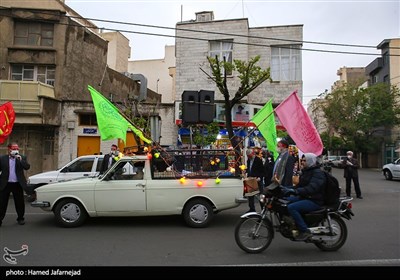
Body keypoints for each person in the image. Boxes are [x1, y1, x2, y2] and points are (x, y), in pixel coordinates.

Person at [284, 153, 326, 240]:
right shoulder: (306, 171)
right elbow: (299, 186)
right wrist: (285, 189)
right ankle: (293, 224)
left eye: (304, 160)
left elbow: (311, 188)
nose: (302, 162)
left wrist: (296, 191)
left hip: (314, 200)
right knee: (285, 201)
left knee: (292, 207)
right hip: (306, 197)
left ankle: (304, 231)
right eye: (302, 160)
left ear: (310, 161)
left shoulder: (317, 173)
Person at [0, 143, 31, 226]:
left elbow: (27, 167)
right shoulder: (2, 158)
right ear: (9, 150)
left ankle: (20, 218)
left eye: (16, 149)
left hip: (17, 184)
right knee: (2, 203)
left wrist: (21, 160)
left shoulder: (22, 157)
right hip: (5, 184)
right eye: (13, 149)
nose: (15, 151)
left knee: (19, 202)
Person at [245, 148, 265, 212]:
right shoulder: (248, 160)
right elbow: (249, 168)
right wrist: (246, 172)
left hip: (257, 179)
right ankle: (252, 209)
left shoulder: (258, 160)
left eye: (249, 155)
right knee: (250, 195)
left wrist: (260, 177)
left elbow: (262, 170)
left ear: (252, 154)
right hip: (250, 179)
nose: (248, 157)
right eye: (247, 155)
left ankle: (263, 208)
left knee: (260, 195)